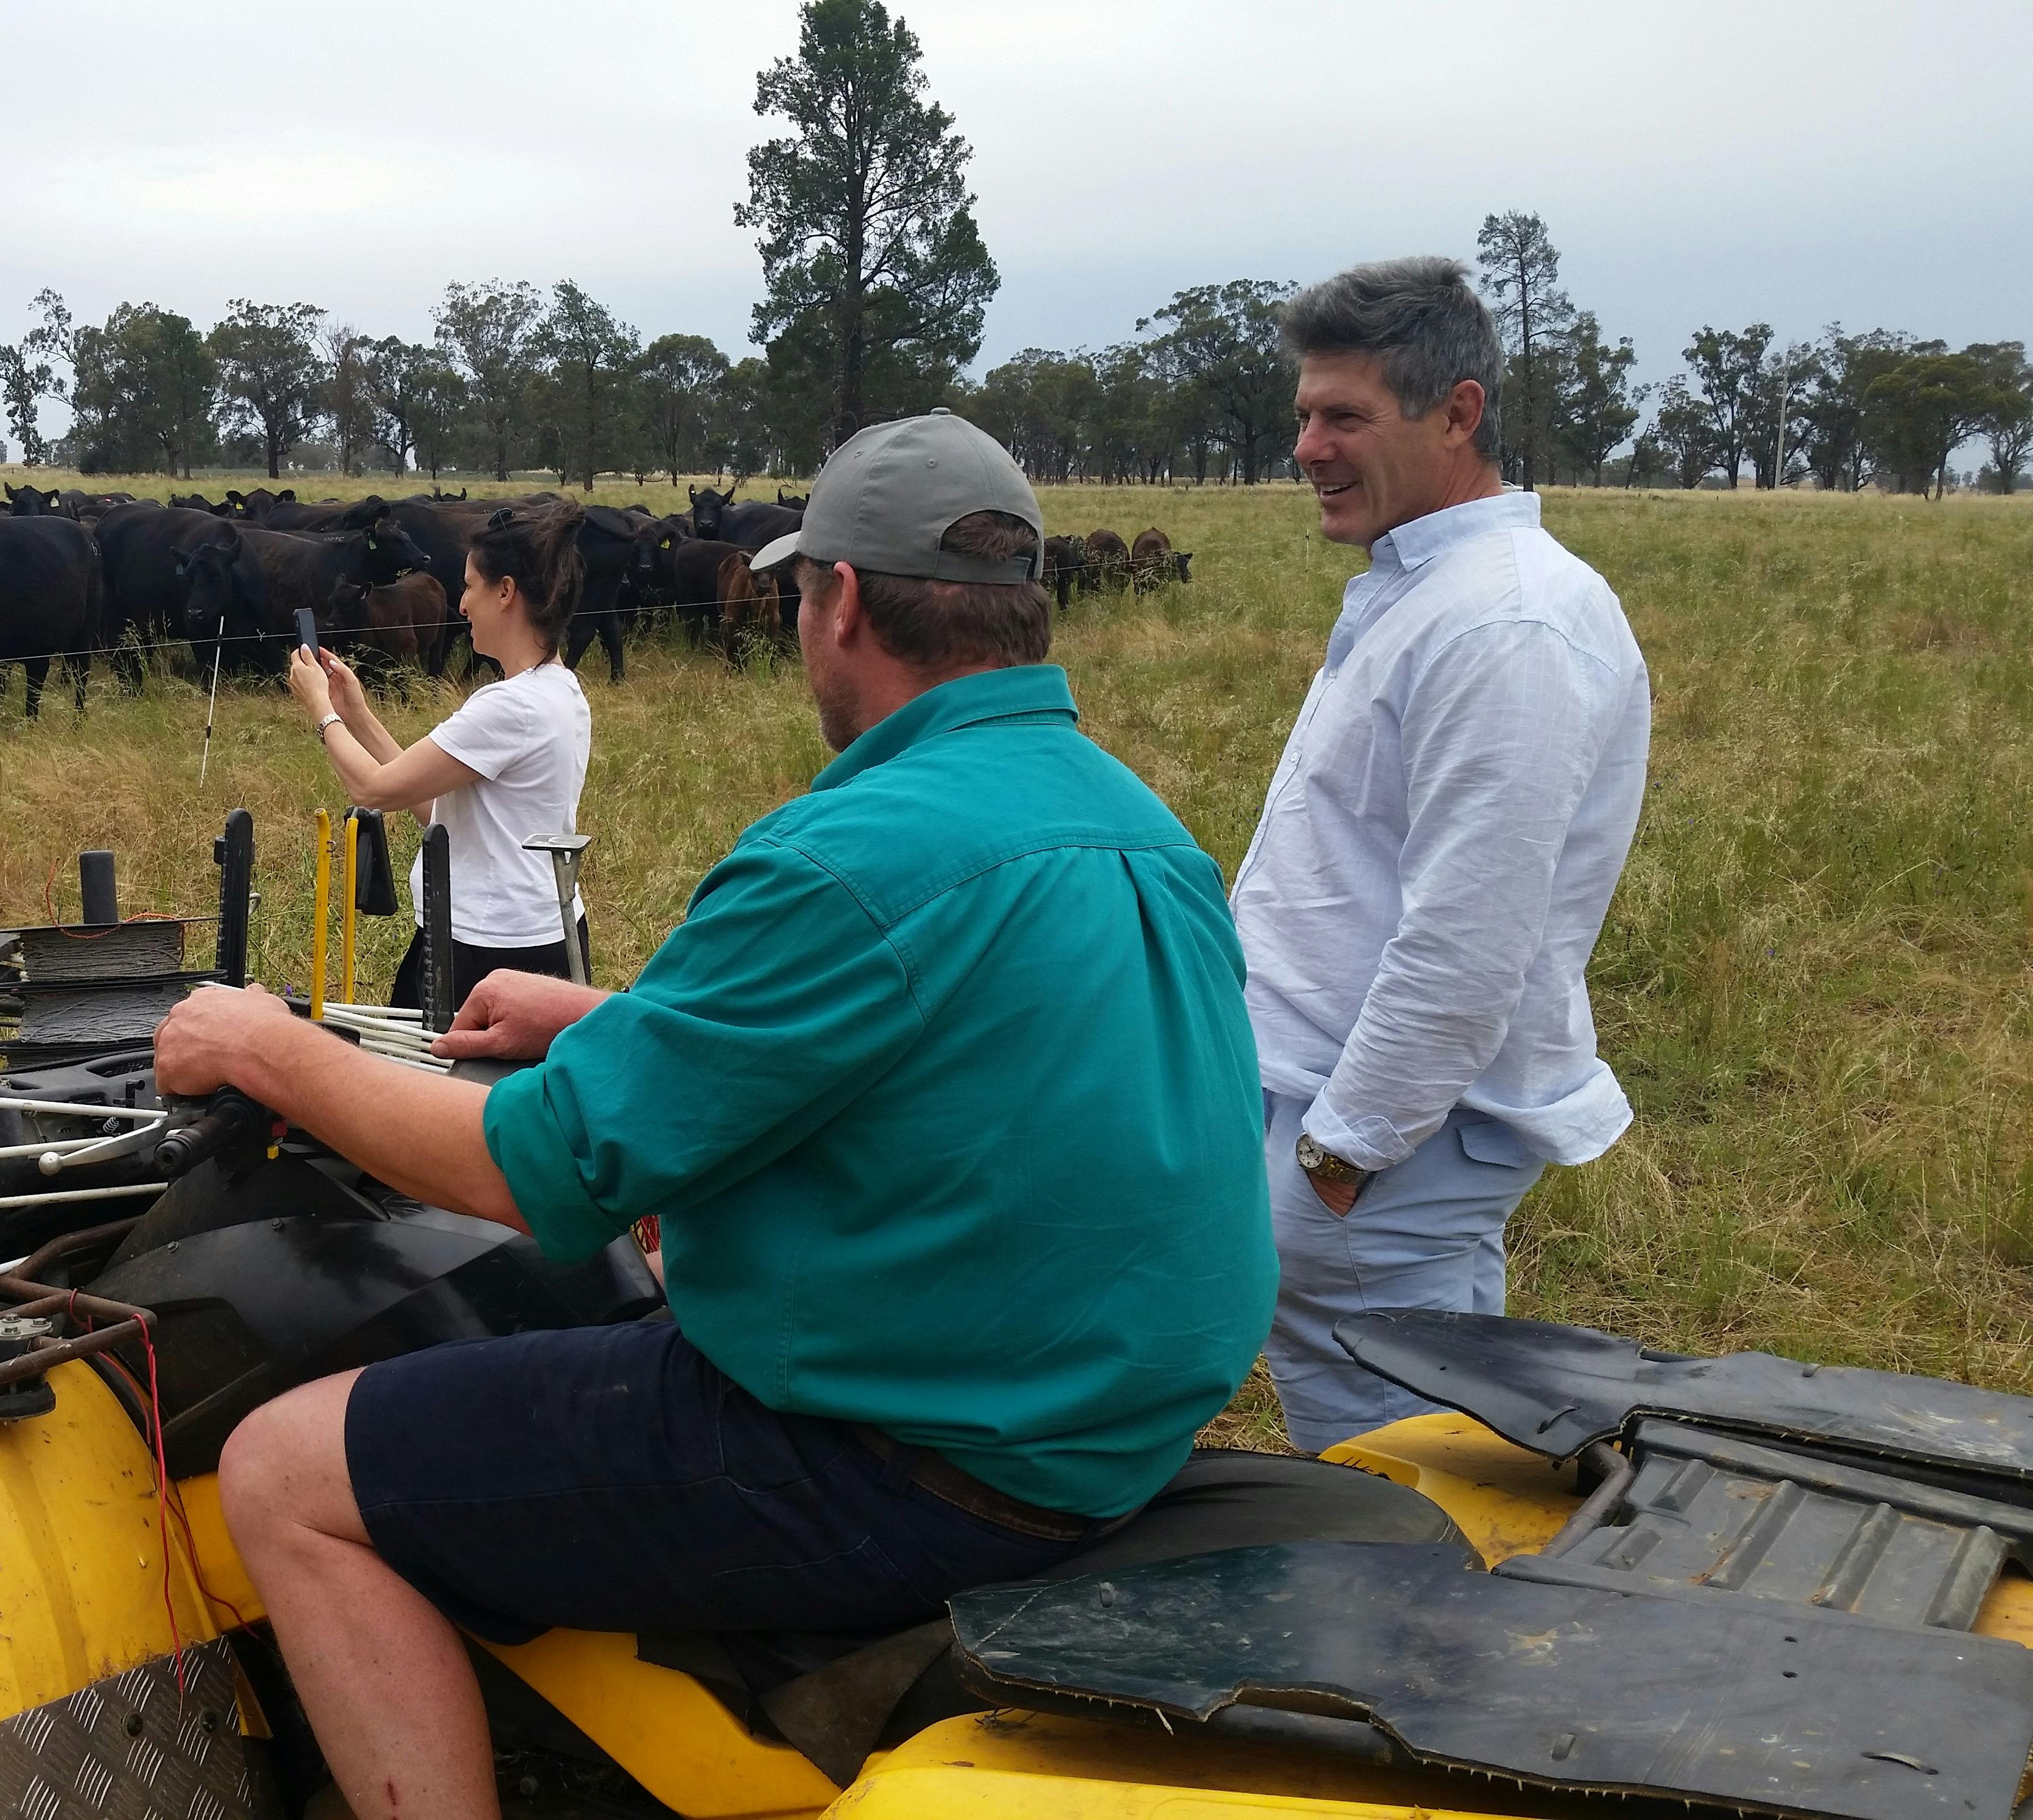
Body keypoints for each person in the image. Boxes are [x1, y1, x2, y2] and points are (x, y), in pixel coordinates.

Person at [155, 411, 1273, 1820]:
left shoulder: (845, 853)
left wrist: (268, 1046)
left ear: (840, 597)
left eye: (799, 593)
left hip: (905, 1461)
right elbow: (953, 1047)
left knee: (282, 1467)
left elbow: (537, 1168)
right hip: (1101, 1428)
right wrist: (619, 1021)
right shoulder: (1133, 820)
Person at [1242, 257, 1652, 1453]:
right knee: (1434, 1445)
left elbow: (1470, 934)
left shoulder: (1503, 620)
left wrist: (1340, 1154)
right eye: (1305, 415)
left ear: (1456, 414)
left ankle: (1410, 1640)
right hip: (1350, 1124)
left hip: (1384, 1142)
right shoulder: (1432, 589)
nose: (1308, 447)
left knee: (1389, 1474)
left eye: (1345, 417)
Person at [286, 506, 590, 1012]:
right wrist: (357, 716)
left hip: (482, 952)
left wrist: (320, 709)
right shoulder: (559, 690)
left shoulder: (509, 707)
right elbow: (435, 808)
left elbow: (373, 789)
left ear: (506, 592)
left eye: (470, 587)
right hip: (528, 935)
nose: (462, 604)